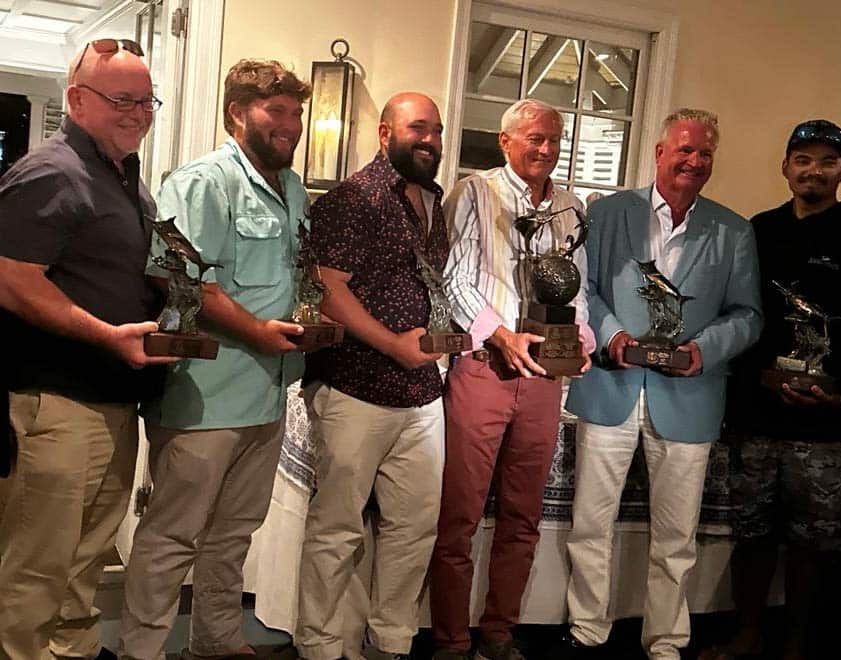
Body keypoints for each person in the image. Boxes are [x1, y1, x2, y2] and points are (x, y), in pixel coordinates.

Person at [117, 59, 311, 660]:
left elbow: (299, 276)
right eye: (275, 111)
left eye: (296, 113)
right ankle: (141, 651)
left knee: (233, 535)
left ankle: (218, 643)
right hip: (205, 393)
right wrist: (257, 331)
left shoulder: (296, 187)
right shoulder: (202, 181)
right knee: (172, 536)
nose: (290, 125)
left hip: (268, 391)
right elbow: (183, 282)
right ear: (237, 112)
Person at [557, 108, 762, 660]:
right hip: (610, 388)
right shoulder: (606, 213)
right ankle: (586, 632)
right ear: (660, 153)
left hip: (689, 399)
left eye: (706, 154)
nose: (695, 162)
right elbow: (587, 289)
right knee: (590, 526)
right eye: (686, 150)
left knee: (676, 538)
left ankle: (667, 642)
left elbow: (748, 314)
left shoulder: (733, 230)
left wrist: (705, 350)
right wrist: (612, 335)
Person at [0, 39, 174, 660]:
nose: (138, 112)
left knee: (85, 564)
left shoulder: (123, 177)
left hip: (111, 402)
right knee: (35, 567)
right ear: (76, 99)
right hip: (56, 403)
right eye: (122, 99)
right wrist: (107, 335)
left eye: (146, 100)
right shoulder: (51, 171)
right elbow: (12, 281)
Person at [702, 120, 841, 660]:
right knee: (752, 536)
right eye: (803, 159)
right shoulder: (755, 231)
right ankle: (747, 633)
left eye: (827, 161)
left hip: (828, 429)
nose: (814, 171)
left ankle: (798, 644)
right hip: (756, 418)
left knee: (815, 544)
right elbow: (736, 312)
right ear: (785, 166)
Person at [428, 98, 594, 660]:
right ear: (505, 142)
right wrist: (501, 336)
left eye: (552, 139)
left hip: (546, 377)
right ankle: (451, 639)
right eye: (533, 139)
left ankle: (499, 632)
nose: (544, 149)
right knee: (461, 514)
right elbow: (452, 280)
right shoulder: (474, 191)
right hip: (484, 369)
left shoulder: (572, 207)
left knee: (523, 517)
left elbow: (579, 291)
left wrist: (584, 342)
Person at [295, 92, 447, 660]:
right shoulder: (353, 198)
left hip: (423, 394)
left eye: (435, 129)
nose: (428, 139)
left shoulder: (434, 199)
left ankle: (391, 641)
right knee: (337, 530)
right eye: (416, 128)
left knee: (414, 530)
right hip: (356, 386)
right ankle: (318, 646)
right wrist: (390, 343)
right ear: (385, 134)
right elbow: (326, 289)